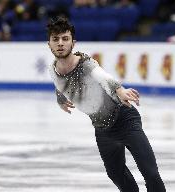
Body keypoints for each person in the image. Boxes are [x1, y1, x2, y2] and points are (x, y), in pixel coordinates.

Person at [47, 16, 166, 192]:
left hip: (124, 118)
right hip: (102, 130)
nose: (60, 43)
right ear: (49, 44)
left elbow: (103, 77)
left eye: (65, 38)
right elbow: (59, 83)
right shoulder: (53, 68)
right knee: (115, 174)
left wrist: (120, 91)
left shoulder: (86, 64)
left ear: (73, 43)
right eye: (55, 39)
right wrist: (60, 99)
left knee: (150, 173)